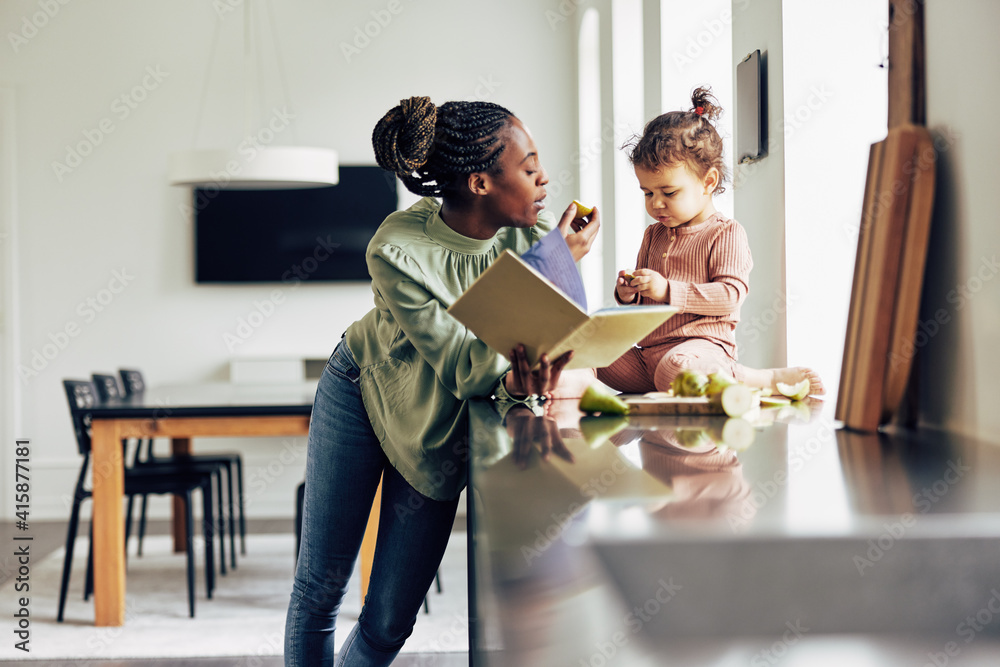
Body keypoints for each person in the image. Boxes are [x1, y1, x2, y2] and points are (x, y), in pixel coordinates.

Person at [284, 96, 599, 666]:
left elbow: (551, 349)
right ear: (480, 182)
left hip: (439, 427)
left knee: (389, 621)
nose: (544, 178)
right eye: (528, 167)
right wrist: (553, 270)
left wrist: (560, 270)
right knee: (319, 590)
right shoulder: (396, 247)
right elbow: (468, 365)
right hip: (361, 393)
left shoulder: (538, 237)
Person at [596, 87, 825, 396]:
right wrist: (628, 294)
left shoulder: (725, 233)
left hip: (699, 353)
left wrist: (666, 289)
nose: (656, 204)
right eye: (648, 193)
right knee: (590, 348)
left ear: (709, 182)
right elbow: (645, 303)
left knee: (676, 368)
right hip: (648, 357)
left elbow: (730, 295)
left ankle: (760, 381)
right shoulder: (653, 235)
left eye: (669, 192)